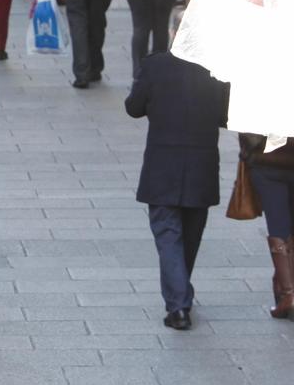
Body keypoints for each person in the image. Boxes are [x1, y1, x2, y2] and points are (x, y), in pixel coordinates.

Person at [125, 52, 229, 331]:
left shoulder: (155, 65)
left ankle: (178, 304)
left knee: (169, 237)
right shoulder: (217, 66)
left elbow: (133, 108)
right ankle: (180, 296)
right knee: (190, 236)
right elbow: (225, 116)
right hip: (202, 166)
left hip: (163, 167)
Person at [241, 135, 294, 320]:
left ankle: (289, 294)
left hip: (267, 162)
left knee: (278, 225)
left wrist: (248, 152)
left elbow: (250, 133)